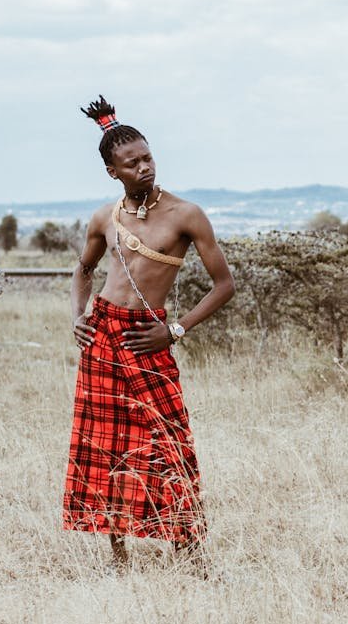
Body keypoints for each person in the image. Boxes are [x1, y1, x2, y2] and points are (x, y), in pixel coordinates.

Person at [65, 95, 235, 571]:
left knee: (167, 441)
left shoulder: (186, 215)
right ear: (112, 172)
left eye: (147, 157)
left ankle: (189, 553)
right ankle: (117, 555)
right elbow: (82, 270)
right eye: (131, 162)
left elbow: (226, 285)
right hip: (103, 336)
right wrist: (79, 315)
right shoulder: (104, 218)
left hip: (150, 335)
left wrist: (175, 330)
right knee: (105, 445)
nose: (144, 167)